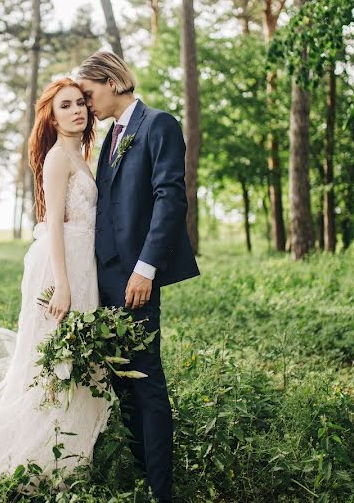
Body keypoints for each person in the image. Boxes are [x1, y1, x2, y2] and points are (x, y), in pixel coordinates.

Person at [0, 78, 111, 487]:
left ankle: (71, 451)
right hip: (62, 267)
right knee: (55, 358)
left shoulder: (80, 155)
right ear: (53, 116)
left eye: (80, 103)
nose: (77, 110)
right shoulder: (57, 159)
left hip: (84, 266)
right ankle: (37, 452)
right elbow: (55, 227)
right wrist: (62, 285)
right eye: (66, 106)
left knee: (76, 357)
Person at [78, 51, 200, 503]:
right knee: (119, 381)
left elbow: (170, 199)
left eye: (89, 94)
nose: (87, 104)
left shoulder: (158, 124)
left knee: (146, 381)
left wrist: (145, 269)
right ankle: (141, 473)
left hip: (135, 281)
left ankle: (160, 491)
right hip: (102, 281)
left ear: (111, 81)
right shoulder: (111, 136)